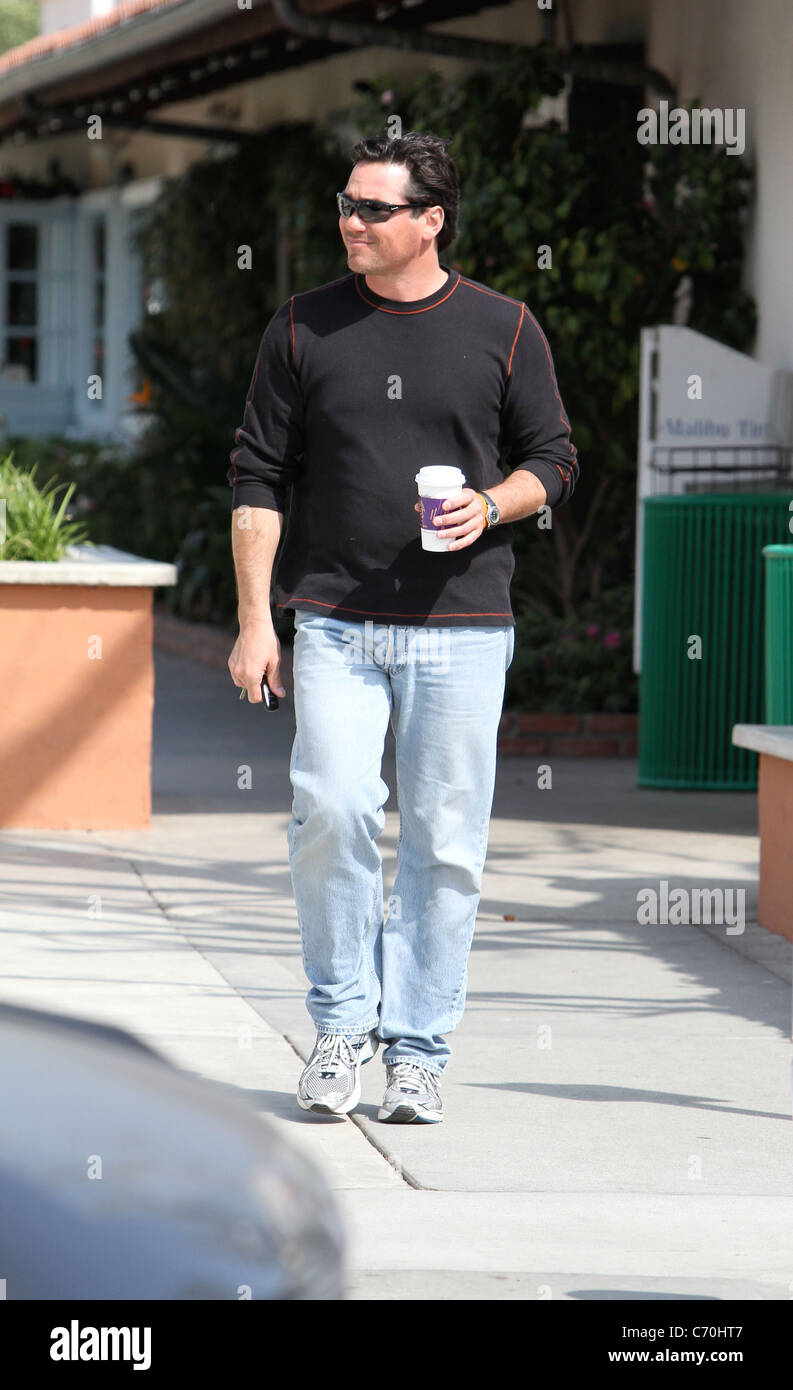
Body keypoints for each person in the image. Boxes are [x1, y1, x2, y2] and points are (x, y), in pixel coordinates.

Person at [227, 131, 578, 1124]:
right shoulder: (301, 329)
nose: (352, 221)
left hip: (462, 627)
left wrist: (492, 504)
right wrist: (259, 621)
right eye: (346, 203)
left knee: (444, 845)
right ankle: (342, 1026)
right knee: (330, 810)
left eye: (374, 209)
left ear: (430, 220)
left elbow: (552, 456)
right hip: (333, 621)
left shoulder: (503, 329)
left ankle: (417, 1050)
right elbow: (256, 476)